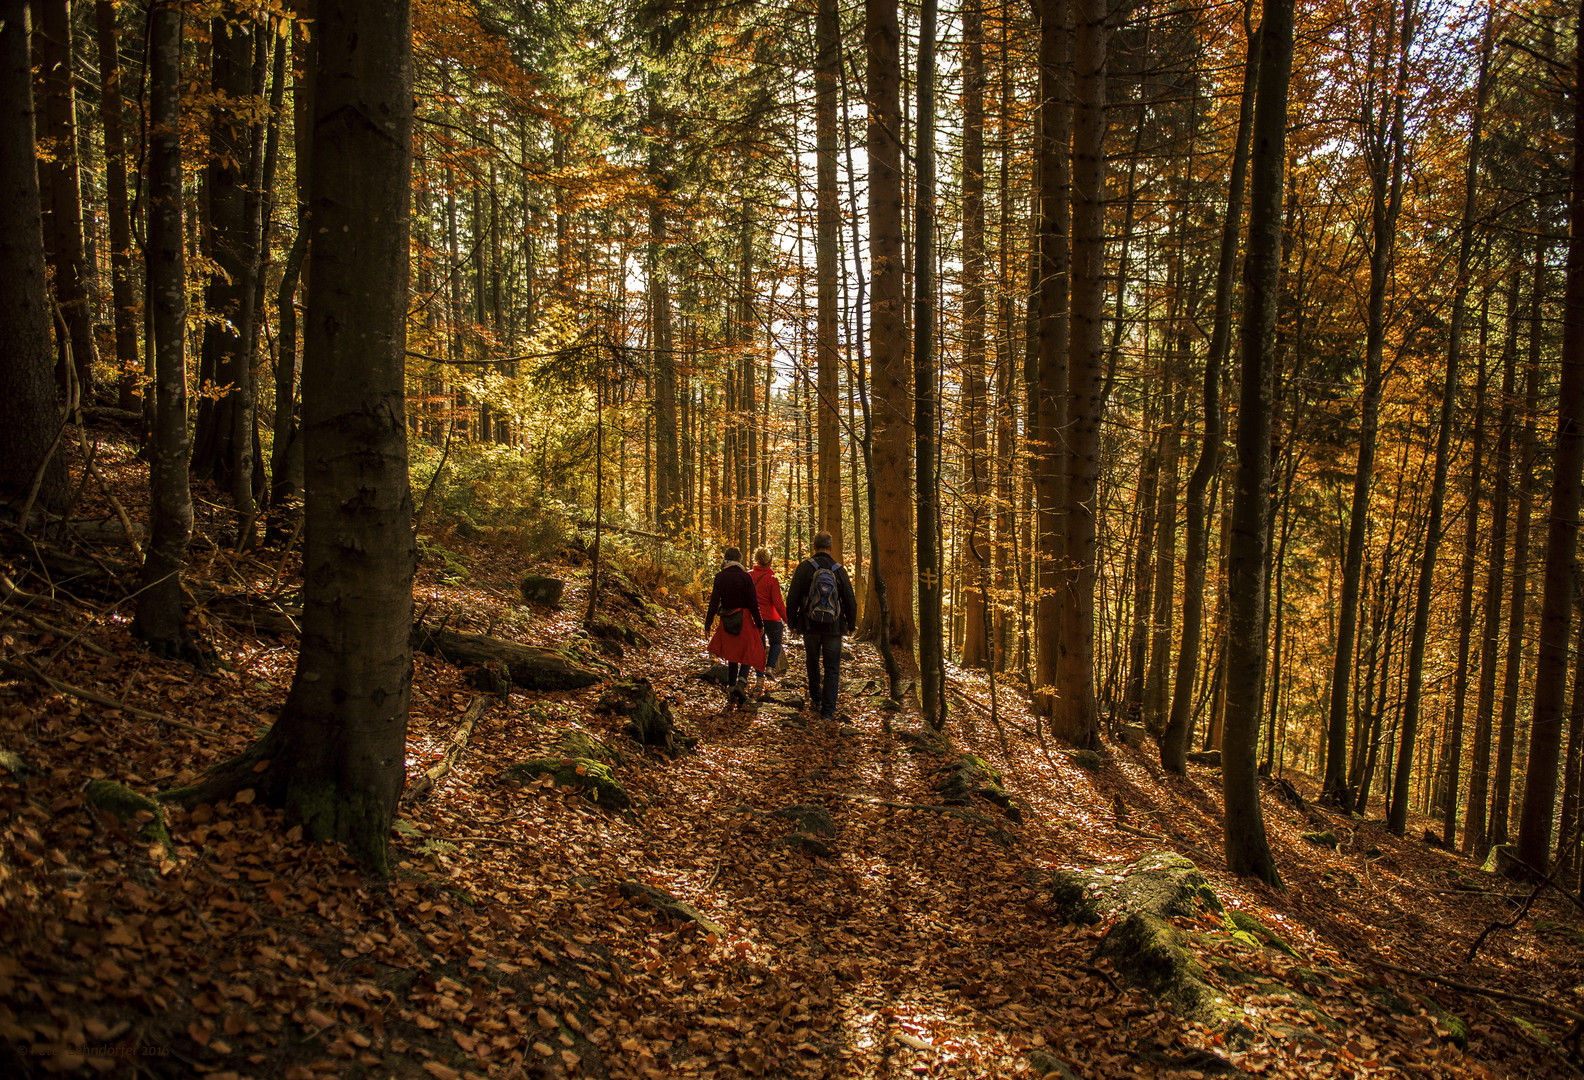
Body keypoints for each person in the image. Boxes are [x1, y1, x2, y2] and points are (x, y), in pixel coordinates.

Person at [784, 531, 858, 721]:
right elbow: (850, 599)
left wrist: (792, 623)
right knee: (832, 667)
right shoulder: (838, 570)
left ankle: (815, 699)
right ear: (830, 547)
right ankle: (828, 710)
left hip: (810, 626)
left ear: (814, 546)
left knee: (812, 662)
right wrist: (851, 624)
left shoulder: (804, 568)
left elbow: (792, 598)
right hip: (833, 628)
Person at [704, 546, 765, 705]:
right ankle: (741, 683)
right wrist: (759, 624)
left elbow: (713, 603)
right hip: (744, 620)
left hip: (727, 620)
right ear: (739, 560)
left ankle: (731, 690)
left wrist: (707, 624)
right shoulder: (746, 578)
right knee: (747, 651)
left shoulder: (720, 577)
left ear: (726, 559)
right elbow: (753, 604)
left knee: (732, 656)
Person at [749, 548, 788, 695]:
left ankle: (759, 680)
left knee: (759, 649)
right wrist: (788, 620)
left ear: (756, 560)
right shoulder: (772, 580)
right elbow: (778, 604)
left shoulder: (748, 576)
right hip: (771, 619)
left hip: (753, 618)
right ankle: (770, 667)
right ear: (770, 562)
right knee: (776, 642)